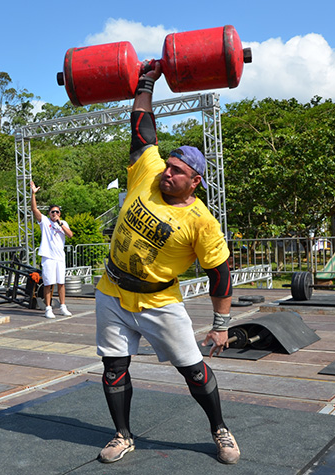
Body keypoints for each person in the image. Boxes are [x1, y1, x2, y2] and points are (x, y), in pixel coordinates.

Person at [93, 61, 240, 465]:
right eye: (168, 166)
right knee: (113, 367)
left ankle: (220, 429)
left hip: (160, 302)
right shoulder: (148, 171)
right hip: (112, 292)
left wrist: (221, 326)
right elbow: (141, 124)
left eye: (177, 172)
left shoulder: (202, 223)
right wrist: (145, 81)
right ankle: (123, 435)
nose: (167, 173)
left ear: (195, 182)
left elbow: (221, 275)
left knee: (193, 370)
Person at [30, 181, 74, 319]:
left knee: (61, 283)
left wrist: (60, 223)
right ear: (49, 213)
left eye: (57, 212)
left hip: (59, 257)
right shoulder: (45, 221)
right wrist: (33, 194)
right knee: (48, 283)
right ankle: (48, 308)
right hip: (48, 257)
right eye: (52, 212)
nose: (54, 213)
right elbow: (34, 210)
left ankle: (62, 306)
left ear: (59, 213)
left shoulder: (63, 223)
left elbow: (70, 235)